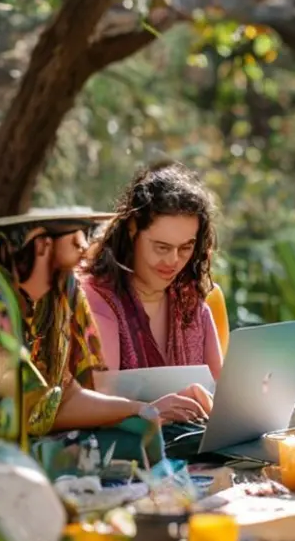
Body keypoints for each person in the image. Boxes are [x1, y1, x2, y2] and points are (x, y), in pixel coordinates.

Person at [0, 209, 208, 450]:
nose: (85, 248)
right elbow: (32, 406)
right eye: (76, 240)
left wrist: (144, 410)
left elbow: (67, 396)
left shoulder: (61, 290)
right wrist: (140, 410)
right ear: (41, 244)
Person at [81, 161, 223, 411]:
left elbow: (220, 395)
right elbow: (96, 402)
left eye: (186, 248)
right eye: (161, 247)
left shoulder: (191, 304)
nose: (173, 261)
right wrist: (151, 412)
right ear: (132, 229)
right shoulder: (96, 299)